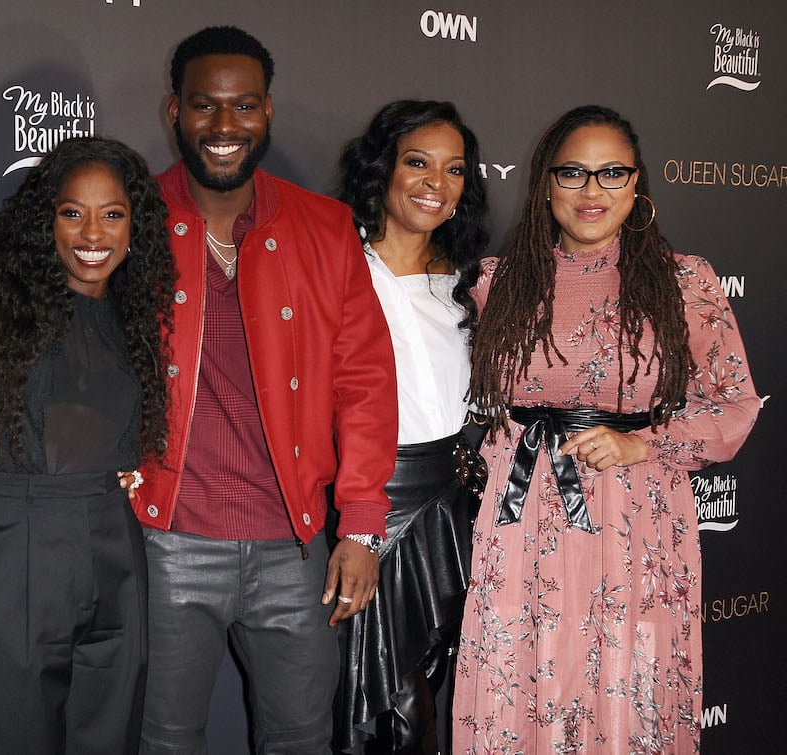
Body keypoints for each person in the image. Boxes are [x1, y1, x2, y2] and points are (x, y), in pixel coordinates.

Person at [454, 105, 760, 753]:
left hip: (640, 518)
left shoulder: (687, 283)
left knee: (632, 686)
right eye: (573, 173)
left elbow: (735, 404)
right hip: (523, 520)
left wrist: (642, 442)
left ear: (637, 184)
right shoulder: (493, 285)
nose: (592, 191)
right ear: (545, 184)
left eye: (612, 172)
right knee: (522, 684)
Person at [134, 26, 399, 754]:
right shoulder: (132, 219)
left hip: (296, 546)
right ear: (173, 111)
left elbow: (366, 383)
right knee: (161, 739)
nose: (224, 127)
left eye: (243, 106)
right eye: (204, 106)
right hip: (165, 543)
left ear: (269, 113)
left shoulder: (325, 227)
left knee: (302, 739)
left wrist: (362, 527)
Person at [0, 136, 175, 754]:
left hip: (115, 543)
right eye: (72, 212)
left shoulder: (135, 309)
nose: (92, 233)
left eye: (112, 214)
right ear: (44, 219)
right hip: (13, 542)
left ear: (136, 225)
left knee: (111, 732)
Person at [334, 100, 488, 754]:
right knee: (373, 707)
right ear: (383, 171)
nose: (435, 182)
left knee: (434, 694)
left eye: (454, 169)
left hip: (452, 514)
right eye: (418, 162)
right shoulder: (336, 267)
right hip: (368, 512)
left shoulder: (469, 284)